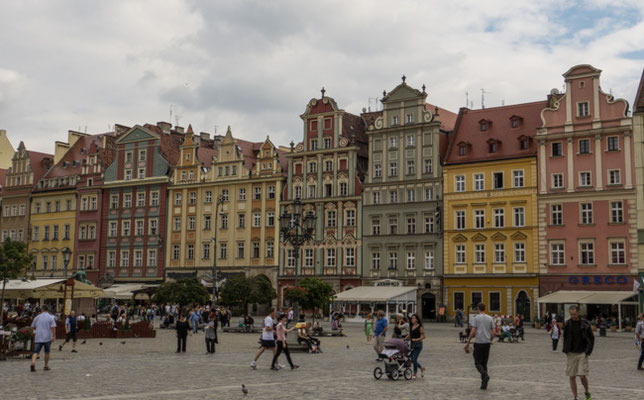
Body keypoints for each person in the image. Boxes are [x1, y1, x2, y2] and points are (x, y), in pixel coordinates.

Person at [563, 305, 594, 400]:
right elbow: (565, 337)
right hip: (571, 353)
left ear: (578, 312)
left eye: (574, 314)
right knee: (572, 376)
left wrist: (587, 351)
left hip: (582, 353)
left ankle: (587, 392)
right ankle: (575, 397)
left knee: (582, 375)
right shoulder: (567, 323)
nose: (573, 316)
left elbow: (591, 338)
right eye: (571, 314)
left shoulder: (585, 323)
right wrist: (565, 349)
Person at [464, 302, 494, 390]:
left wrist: (468, 341)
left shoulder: (476, 318)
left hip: (479, 343)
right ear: (485, 308)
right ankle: (483, 384)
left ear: (478, 308)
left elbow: (473, 331)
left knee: (477, 362)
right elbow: (493, 332)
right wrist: (490, 340)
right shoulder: (490, 318)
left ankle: (485, 375)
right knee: (484, 363)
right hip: (487, 343)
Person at [30, 305, 57, 372]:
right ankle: (46, 365)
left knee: (36, 351)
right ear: (48, 310)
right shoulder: (50, 318)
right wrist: (53, 336)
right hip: (47, 337)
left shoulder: (37, 317)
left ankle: (33, 363)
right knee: (47, 352)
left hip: (38, 336)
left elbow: (32, 326)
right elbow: (53, 327)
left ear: (42, 310)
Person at [407, 314, 426, 379]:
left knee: (414, 358)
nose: (412, 319)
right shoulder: (411, 326)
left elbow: (424, 336)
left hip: (418, 345)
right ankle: (421, 368)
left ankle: (415, 374)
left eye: (414, 318)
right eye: (412, 318)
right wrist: (404, 339)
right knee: (412, 360)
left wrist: (416, 339)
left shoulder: (420, 327)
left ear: (417, 319)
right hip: (412, 345)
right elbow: (410, 334)